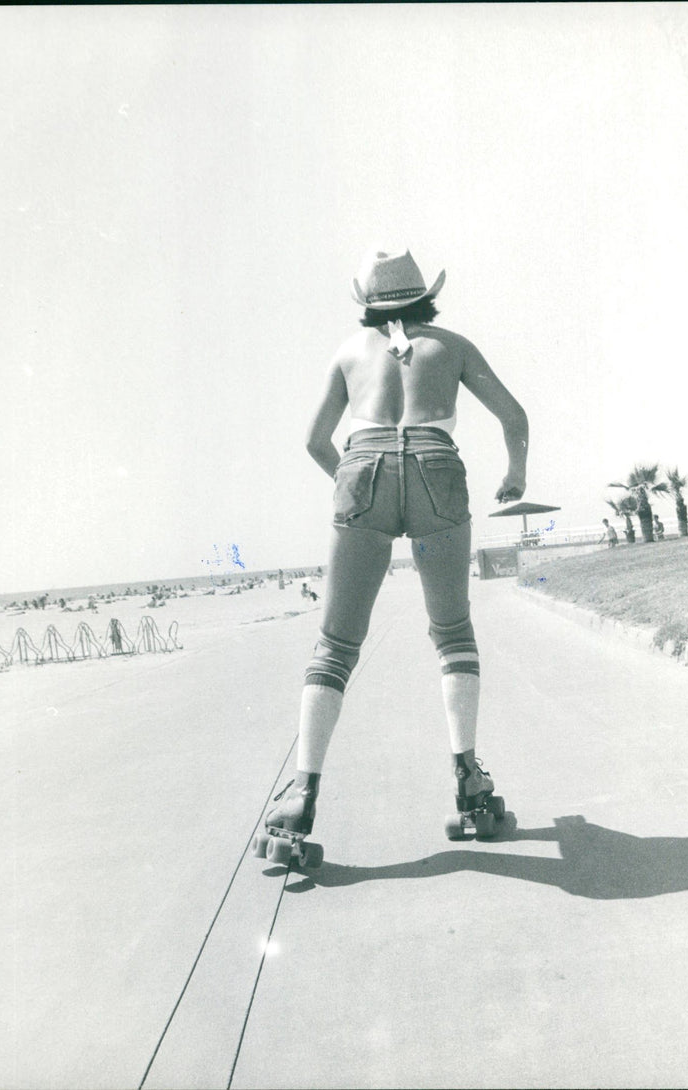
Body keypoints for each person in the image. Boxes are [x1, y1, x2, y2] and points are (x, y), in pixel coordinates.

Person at [260, 249, 528, 850]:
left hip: (363, 465)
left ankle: (302, 794)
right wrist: (516, 474)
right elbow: (514, 416)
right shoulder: (452, 344)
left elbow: (313, 440)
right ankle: (468, 779)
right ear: (424, 295)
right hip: (437, 468)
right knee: (453, 632)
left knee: (334, 645)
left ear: (367, 301)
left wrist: (355, 484)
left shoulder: (349, 352)